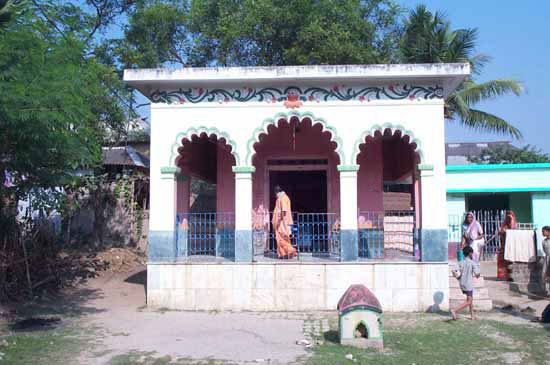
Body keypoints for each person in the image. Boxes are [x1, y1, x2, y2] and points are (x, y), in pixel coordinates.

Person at [450, 245, 481, 320]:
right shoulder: (472, 263)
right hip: (468, 284)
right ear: (470, 254)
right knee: (469, 301)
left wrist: (458, 277)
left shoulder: (461, 262)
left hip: (462, 283)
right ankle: (454, 310)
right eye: (472, 253)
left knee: (470, 299)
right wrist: (478, 272)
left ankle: (472, 316)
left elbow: (453, 270)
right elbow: (477, 274)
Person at [272, 185, 297, 259]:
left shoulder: (282, 198)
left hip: (283, 223)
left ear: (277, 192)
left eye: (275, 194)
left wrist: (278, 220)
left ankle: (291, 251)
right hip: (283, 222)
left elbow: (284, 211)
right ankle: (285, 254)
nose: (275, 196)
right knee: (283, 238)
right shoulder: (283, 198)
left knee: (281, 239)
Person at [497, 211, 517, 281]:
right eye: (507, 216)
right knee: (502, 260)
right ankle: (502, 276)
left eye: (510, 215)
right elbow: (500, 232)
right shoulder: (504, 224)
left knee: (510, 261)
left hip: (511, 246)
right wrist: (501, 231)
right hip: (504, 245)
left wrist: (511, 220)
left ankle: (510, 276)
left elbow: (512, 230)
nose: (508, 217)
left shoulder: (514, 224)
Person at [542, 226, 550, 299]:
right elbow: (544, 250)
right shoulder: (544, 241)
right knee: (545, 276)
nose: (542, 233)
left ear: (548, 231)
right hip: (547, 259)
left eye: (543, 231)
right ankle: (548, 293)